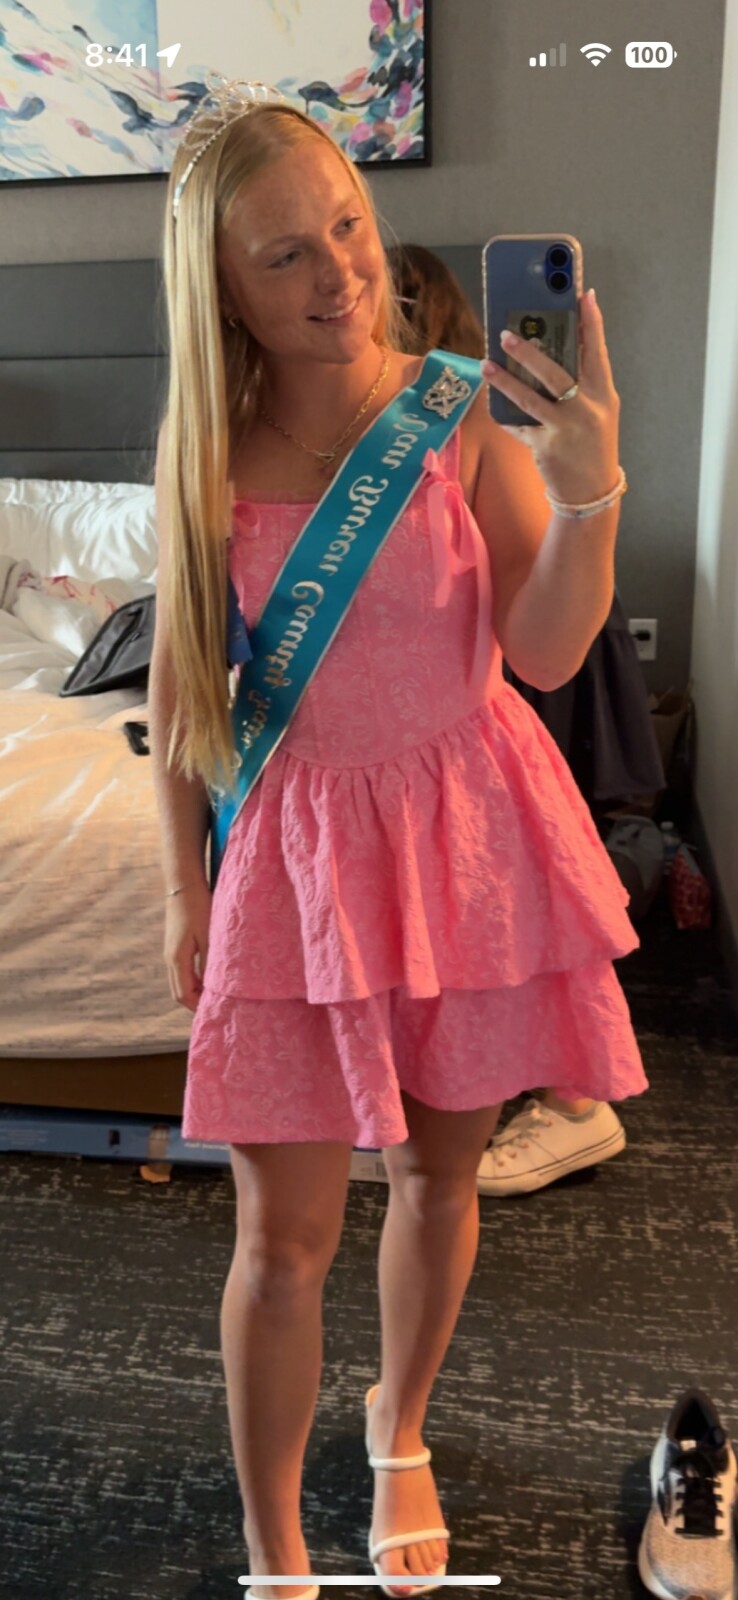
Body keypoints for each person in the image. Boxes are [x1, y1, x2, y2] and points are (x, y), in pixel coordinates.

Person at [149, 72, 648, 1600]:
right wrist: (182, 890)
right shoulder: (204, 456)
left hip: (463, 841)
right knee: (281, 1239)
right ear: (223, 290)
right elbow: (180, 700)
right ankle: (275, 1544)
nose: (340, 274)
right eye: (285, 253)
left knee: (441, 1181)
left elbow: (545, 653)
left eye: (348, 228)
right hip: (298, 863)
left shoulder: (454, 411)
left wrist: (588, 497)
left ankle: (399, 1427)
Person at [388, 243, 663, 1195]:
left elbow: (538, 637)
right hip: (497, 695)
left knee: (528, 914)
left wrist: (587, 485)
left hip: (513, 695)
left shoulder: (476, 431)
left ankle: (573, 1104)